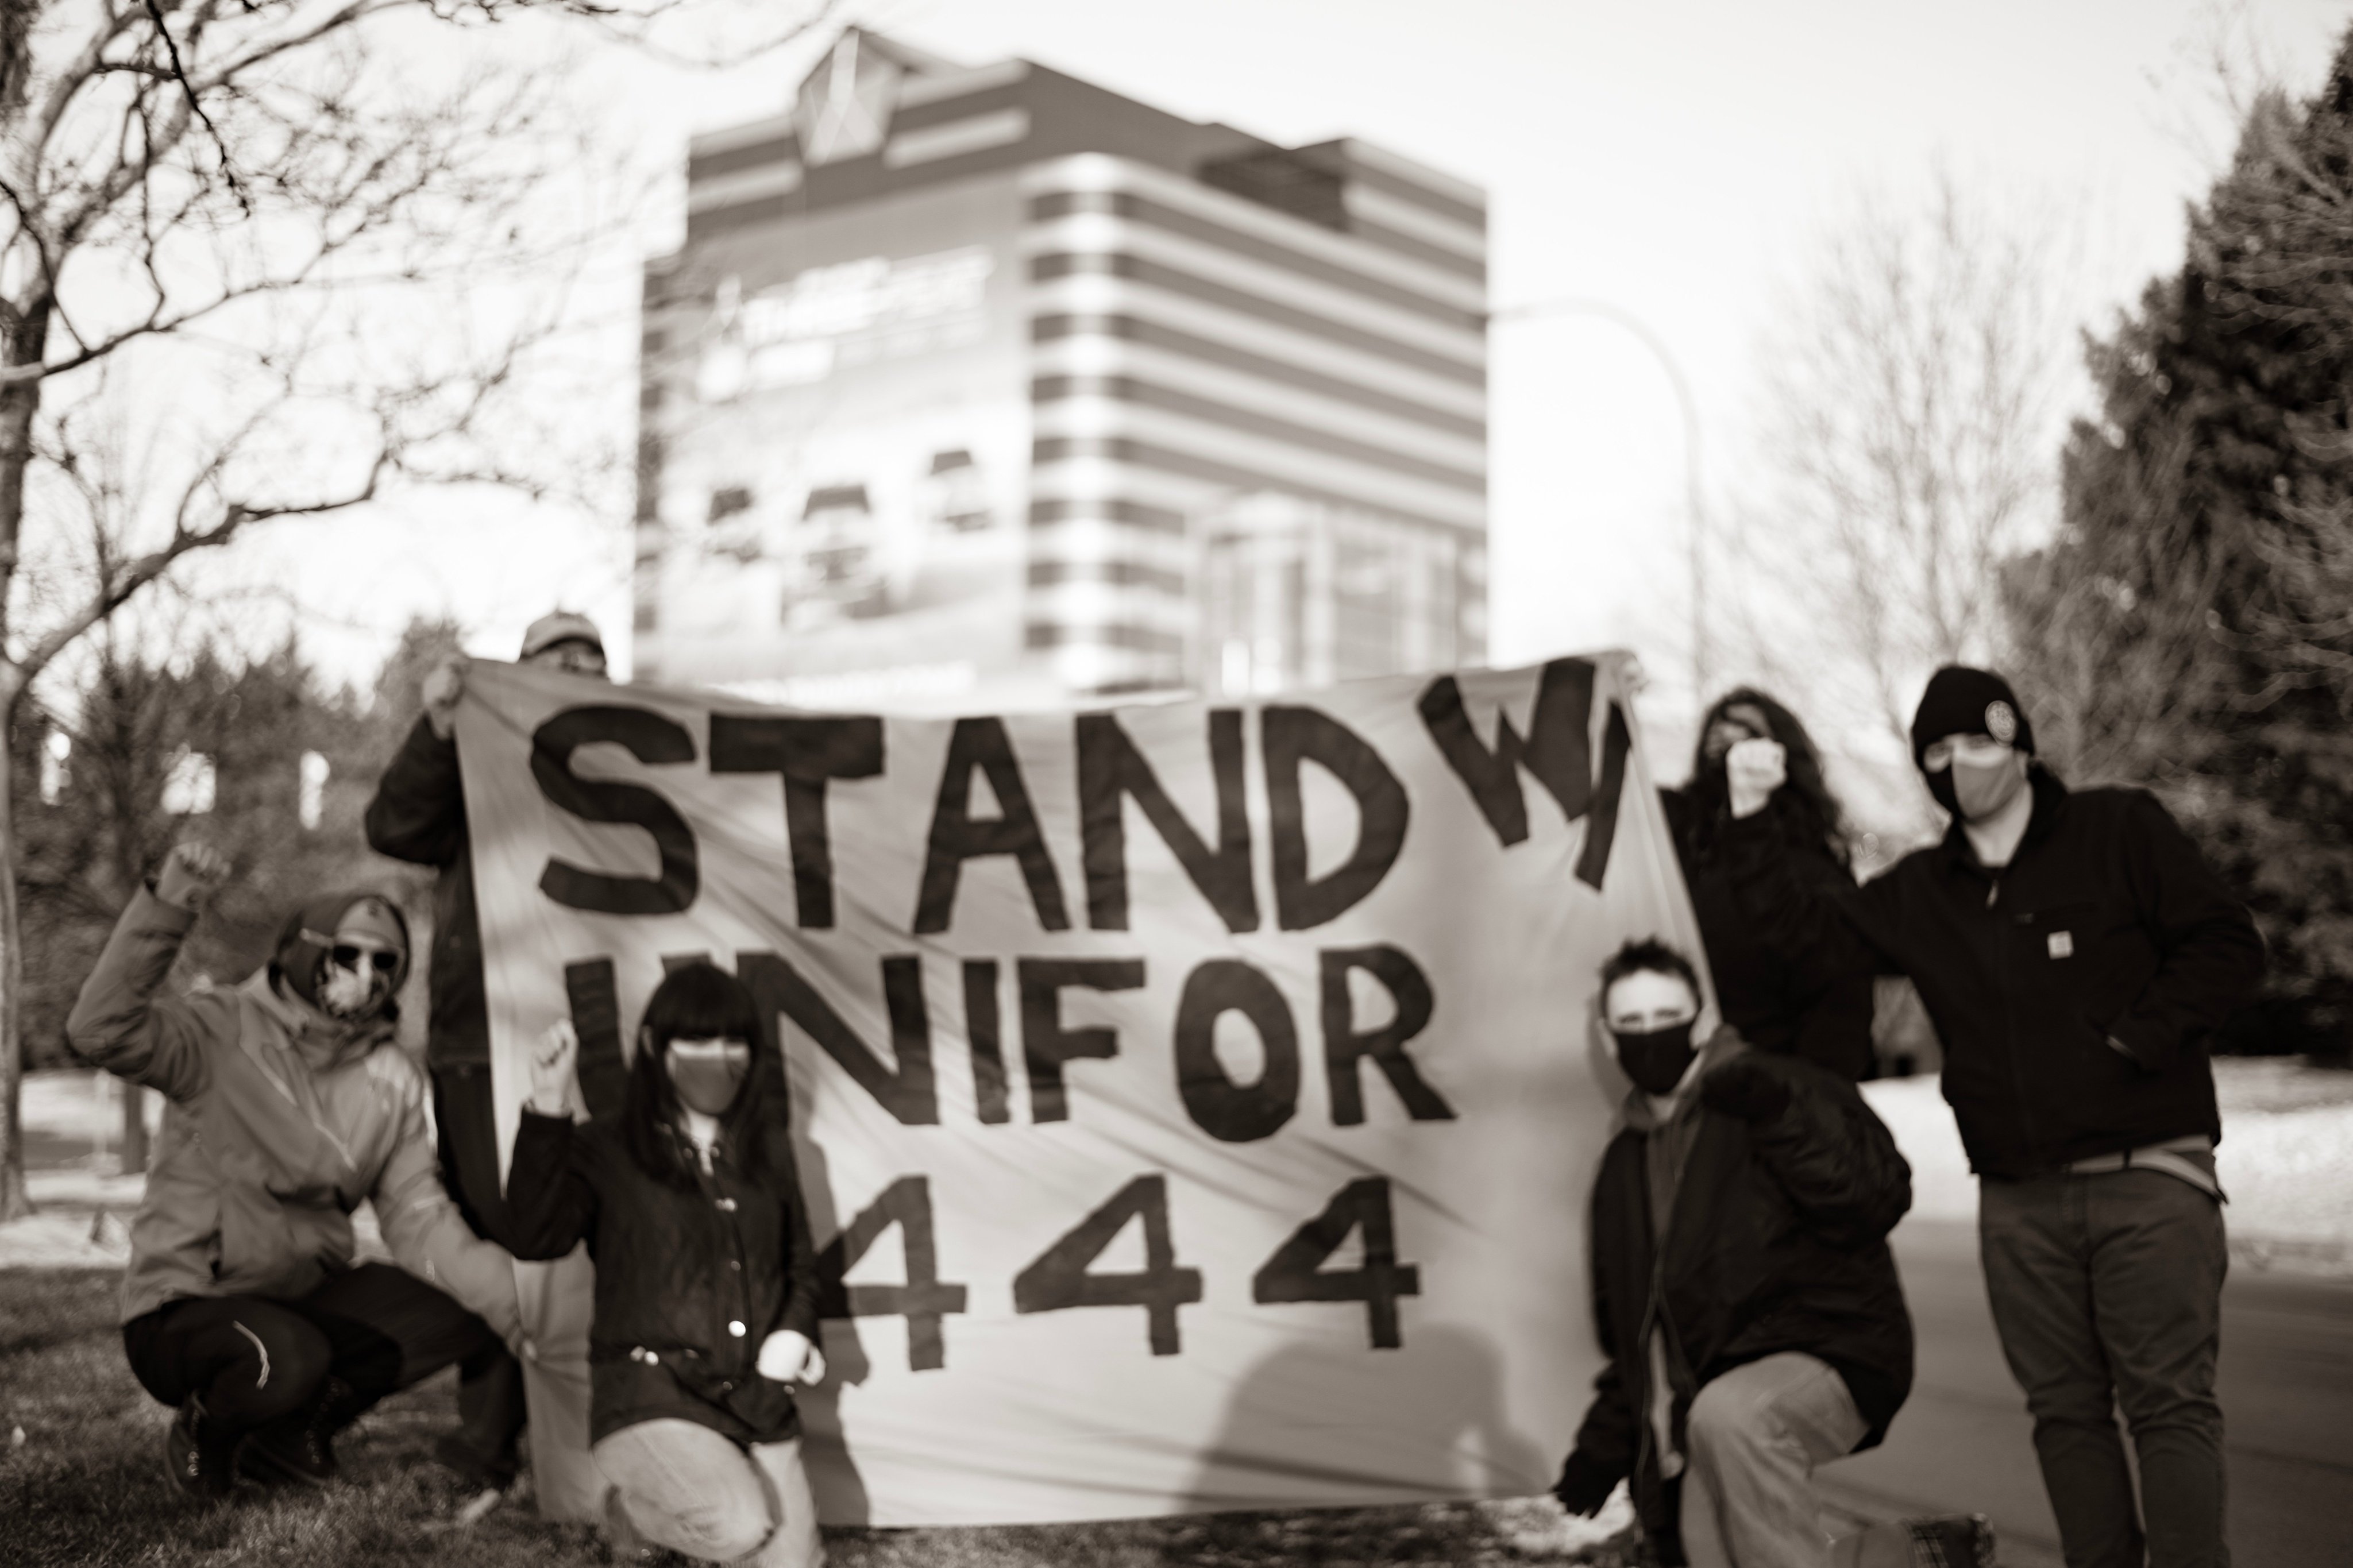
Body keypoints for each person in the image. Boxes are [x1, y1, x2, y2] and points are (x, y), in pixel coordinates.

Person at [1723, 665, 2265, 1568]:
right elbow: (1805, 939)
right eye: (1936, 751)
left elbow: (2226, 944)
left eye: (1977, 742)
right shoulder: (1921, 891)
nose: (1958, 764)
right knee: (2064, 1413)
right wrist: (1749, 819)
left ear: (2018, 744)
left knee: (2167, 1403)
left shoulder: (2117, 829)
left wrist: (2135, 1041)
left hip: (2150, 1176)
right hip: (2017, 1198)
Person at [65, 842, 523, 1500]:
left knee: (459, 1312)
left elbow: (418, 1214)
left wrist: (518, 1302)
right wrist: (172, 900)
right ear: (307, 950)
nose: (366, 976)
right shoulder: (218, 1029)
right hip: (188, 1304)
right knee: (284, 1356)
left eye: (385, 963)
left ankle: (286, 1439)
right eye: (348, 954)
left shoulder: (392, 1079)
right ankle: (206, 1433)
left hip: (300, 1299)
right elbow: (97, 1031)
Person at [1553, 938, 1914, 1568]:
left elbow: (1872, 1197)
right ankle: (1908, 1557)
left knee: (1733, 1418)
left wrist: (1781, 1117)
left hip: (1832, 1347)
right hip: (1712, 1403)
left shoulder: (1780, 1090)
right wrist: (1605, 1447)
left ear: (1703, 1019)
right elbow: (1638, 1329)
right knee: (1705, 1542)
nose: (1649, 1036)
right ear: (1609, 1040)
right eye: (1631, 1024)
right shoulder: (1623, 1165)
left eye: (1666, 1017)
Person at [362, 608, 608, 1492]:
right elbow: (392, 826)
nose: (578, 670)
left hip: (606, 1028)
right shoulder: (476, 762)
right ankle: (490, 1439)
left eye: (593, 659)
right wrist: (440, 728)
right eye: (557, 658)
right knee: (501, 1234)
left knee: (594, 1227)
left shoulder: (635, 766)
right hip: (483, 1040)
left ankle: (593, 1430)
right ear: (520, 673)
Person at [505, 962, 826, 1568]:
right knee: (736, 1527)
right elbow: (536, 1236)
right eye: (699, 1040)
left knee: (793, 1563)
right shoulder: (607, 1148)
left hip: (755, 1402)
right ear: (656, 1046)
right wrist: (547, 1107)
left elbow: (801, 1267)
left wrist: (794, 1329)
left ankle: (699, 1505)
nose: (721, 1056)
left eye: (735, 1041)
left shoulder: (769, 1148)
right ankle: (636, 1516)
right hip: (651, 1392)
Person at [1663, 688, 1876, 1081]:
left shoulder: (1812, 864)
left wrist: (1815, 1099)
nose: (1725, 736)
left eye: (1745, 729)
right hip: (1690, 1084)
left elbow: (1840, 993)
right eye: (1717, 726)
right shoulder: (1676, 835)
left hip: (1785, 1090)